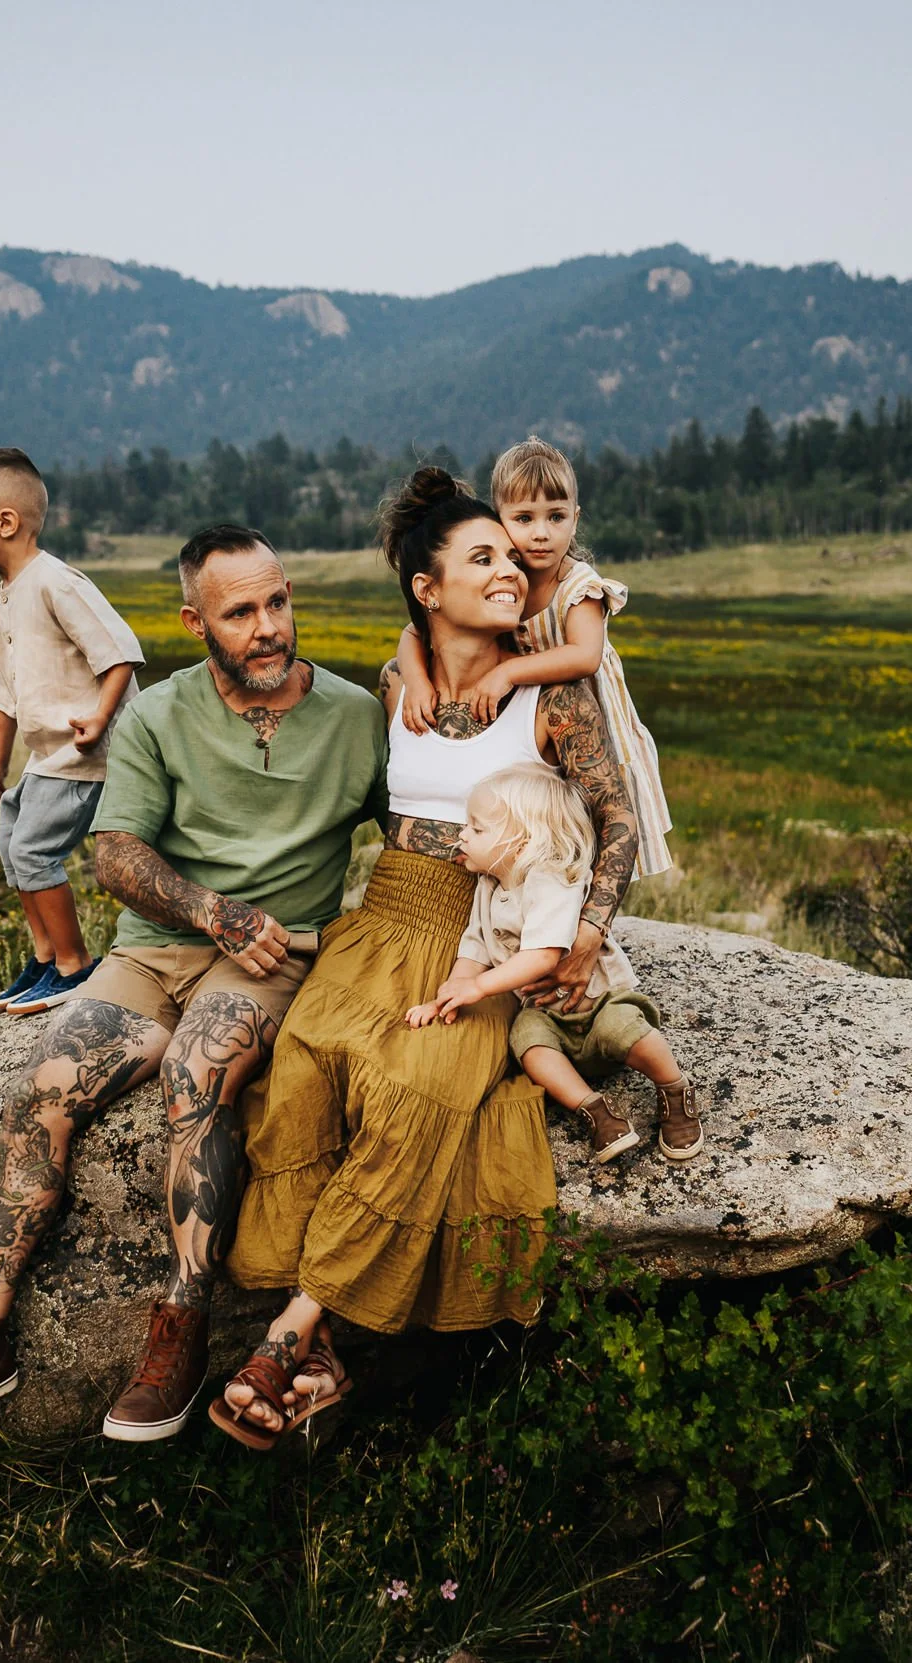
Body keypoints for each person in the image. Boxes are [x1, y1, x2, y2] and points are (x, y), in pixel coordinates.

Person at [0, 523, 388, 1441]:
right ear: (194, 621)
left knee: (200, 1071)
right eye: (240, 612)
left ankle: (179, 1332)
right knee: (43, 1090)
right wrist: (211, 910)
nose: (267, 627)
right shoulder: (159, 712)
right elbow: (115, 855)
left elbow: (420, 839)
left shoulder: (355, 715)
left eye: (277, 602)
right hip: (155, 947)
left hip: (273, 960)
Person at [208, 467, 642, 1450]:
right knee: (308, 1068)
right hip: (384, 916)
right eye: (480, 557)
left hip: (484, 933)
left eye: (511, 555)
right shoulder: (396, 679)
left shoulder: (553, 690)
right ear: (423, 587)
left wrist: (580, 933)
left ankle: (287, 1339)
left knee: (416, 1092)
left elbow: (611, 824)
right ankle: (320, 1360)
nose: (509, 569)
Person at [393, 436, 676, 880]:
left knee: (598, 821)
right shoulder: (511, 577)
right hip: (534, 725)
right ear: (500, 519)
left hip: (591, 721)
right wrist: (417, 680)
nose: (541, 533)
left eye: (556, 517)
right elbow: (413, 632)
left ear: (575, 519)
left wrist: (508, 671)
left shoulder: (578, 586)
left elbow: (584, 657)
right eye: (524, 519)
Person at [406, 763, 700, 1165]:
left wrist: (479, 988)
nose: (463, 835)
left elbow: (544, 954)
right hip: (546, 1012)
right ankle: (596, 1111)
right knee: (526, 1042)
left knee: (623, 1030)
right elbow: (474, 946)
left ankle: (673, 1087)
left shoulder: (550, 878)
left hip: (597, 1002)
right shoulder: (489, 886)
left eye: (476, 829)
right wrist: (448, 995)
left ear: (520, 840)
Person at [0, 447, 146, 1016]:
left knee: (35, 850)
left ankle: (73, 967)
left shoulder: (57, 582)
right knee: (11, 842)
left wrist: (100, 717)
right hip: (47, 758)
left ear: (6, 522)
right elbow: (2, 693)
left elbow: (119, 653)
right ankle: (43, 959)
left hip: (88, 755)